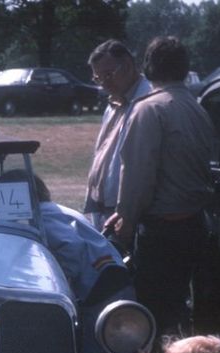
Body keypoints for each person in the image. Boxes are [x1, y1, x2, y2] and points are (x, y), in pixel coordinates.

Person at [107, 36, 214, 349]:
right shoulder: (196, 108)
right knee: (178, 309)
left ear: (148, 66)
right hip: (193, 224)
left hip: (161, 230)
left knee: (151, 311)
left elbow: (138, 174)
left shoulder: (149, 109)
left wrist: (125, 219)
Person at [22, 171, 144, 353]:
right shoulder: (62, 211)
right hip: (118, 282)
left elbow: (71, 250)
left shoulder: (41, 218)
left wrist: (62, 288)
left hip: (95, 294)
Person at [84, 39, 151, 232]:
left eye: (108, 74)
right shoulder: (113, 102)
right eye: (98, 78)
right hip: (103, 205)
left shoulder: (147, 101)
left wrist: (127, 212)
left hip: (127, 211)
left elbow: (142, 164)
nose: (104, 83)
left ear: (129, 66)